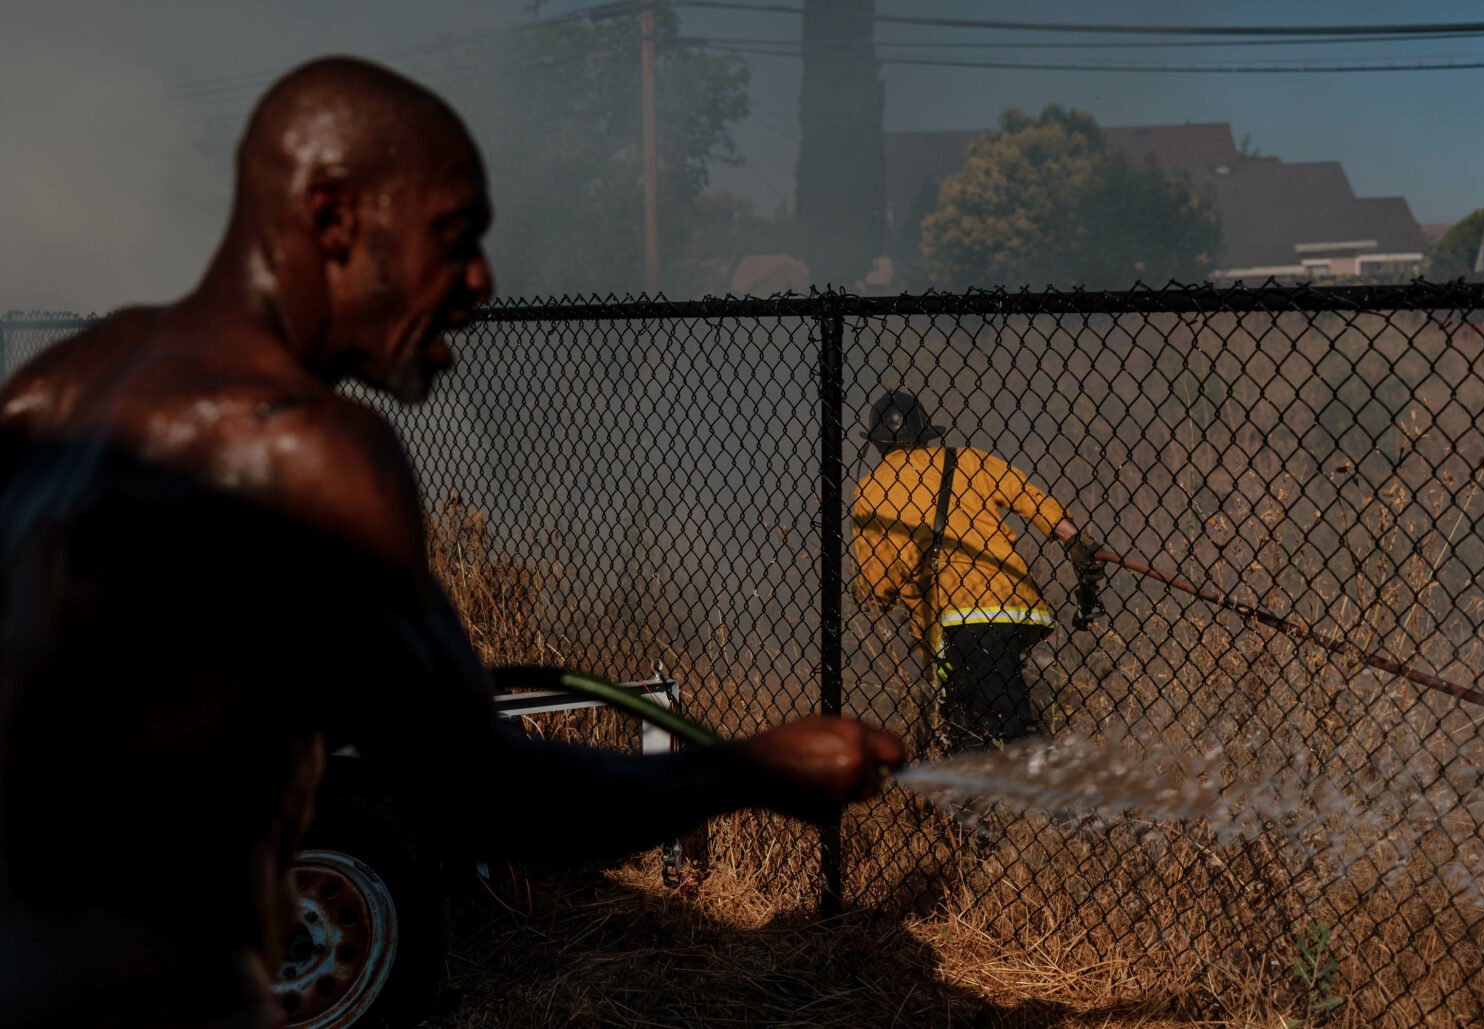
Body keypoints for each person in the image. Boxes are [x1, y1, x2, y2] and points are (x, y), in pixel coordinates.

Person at [0, 58, 904, 1029]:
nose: (479, 284)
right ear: (335, 216)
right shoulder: (305, 456)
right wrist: (755, 770)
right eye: (452, 238)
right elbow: (480, 791)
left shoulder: (49, 392)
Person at [851, 389, 1105, 753]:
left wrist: (879, 595)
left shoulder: (871, 490)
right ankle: (1009, 794)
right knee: (992, 710)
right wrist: (1073, 538)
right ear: (926, 433)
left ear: (876, 444)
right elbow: (1026, 496)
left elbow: (880, 580)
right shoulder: (966, 460)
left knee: (985, 730)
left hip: (956, 618)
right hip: (1015, 601)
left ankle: (1051, 802)